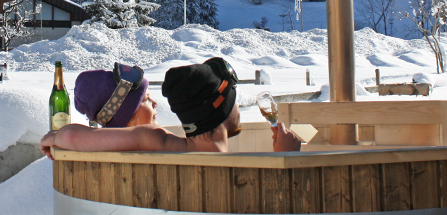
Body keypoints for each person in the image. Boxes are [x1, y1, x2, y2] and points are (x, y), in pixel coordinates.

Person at [40, 57, 302, 158]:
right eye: (235, 98)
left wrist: (55, 136)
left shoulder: (166, 145)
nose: (154, 103)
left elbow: (73, 135)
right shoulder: (155, 139)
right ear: (220, 109)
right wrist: (288, 160)